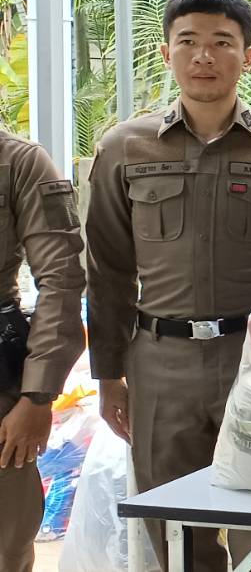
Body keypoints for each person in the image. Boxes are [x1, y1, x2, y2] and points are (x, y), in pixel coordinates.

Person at [86, 0, 251, 572]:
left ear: (249, 55)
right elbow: (108, 269)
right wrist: (109, 375)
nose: (204, 57)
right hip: (161, 365)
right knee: (175, 531)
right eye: (188, 42)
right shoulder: (124, 148)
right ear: (167, 52)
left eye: (222, 43)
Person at [0, 130, 84, 572]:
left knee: (8, 542)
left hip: (3, 394)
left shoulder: (19, 162)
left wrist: (37, 396)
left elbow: (61, 279)